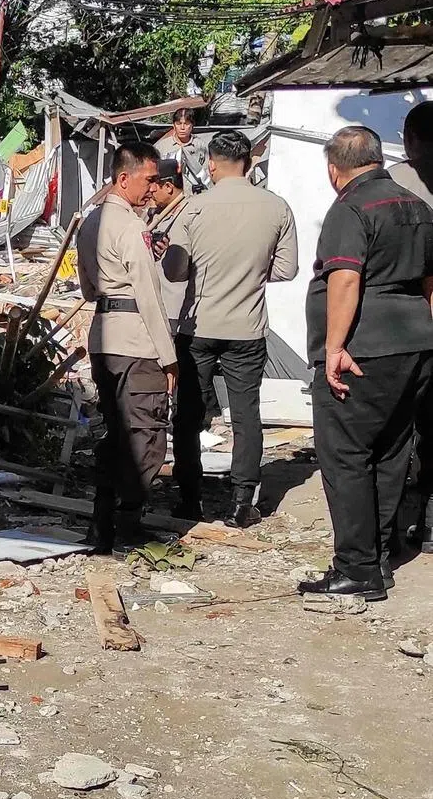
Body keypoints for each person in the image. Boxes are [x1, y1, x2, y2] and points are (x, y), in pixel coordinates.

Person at [298, 126, 433, 602]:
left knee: (346, 454)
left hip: (364, 348)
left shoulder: (351, 207)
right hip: (416, 344)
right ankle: (378, 558)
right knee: (392, 452)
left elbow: (345, 280)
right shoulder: (418, 205)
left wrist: (334, 347)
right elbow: (430, 283)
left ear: (335, 169)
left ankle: (356, 568)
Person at [163, 131, 298, 525]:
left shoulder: (193, 208)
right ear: (250, 163)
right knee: (245, 413)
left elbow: (174, 271)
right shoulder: (276, 207)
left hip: (198, 327)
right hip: (248, 328)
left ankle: (190, 498)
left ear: (211, 164)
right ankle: (243, 501)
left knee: (188, 415)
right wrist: (252, 272)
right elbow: (287, 269)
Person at [77, 141, 177, 554]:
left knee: (116, 434)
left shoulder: (90, 222)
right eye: (149, 180)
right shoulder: (130, 226)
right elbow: (149, 295)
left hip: (104, 335)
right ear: (124, 178)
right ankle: (126, 524)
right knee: (146, 436)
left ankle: (102, 522)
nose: (153, 189)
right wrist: (169, 357)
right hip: (136, 340)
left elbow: (86, 286)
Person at [389, 101, 433, 553]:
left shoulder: (394, 184)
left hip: (406, 323)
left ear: (411, 139)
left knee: (399, 429)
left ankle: (397, 529)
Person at [146, 159, 187, 331]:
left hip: (175, 306)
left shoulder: (189, 213)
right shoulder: (155, 213)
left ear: (168, 187)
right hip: (155, 303)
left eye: (155, 184)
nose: (151, 190)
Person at [155, 107, 211, 193]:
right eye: (178, 123)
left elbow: (207, 173)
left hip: (196, 194)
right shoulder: (162, 147)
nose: (182, 127)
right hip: (171, 195)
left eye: (186, 123)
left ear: (192, 125)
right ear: (173, 125)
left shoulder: (200, 146)